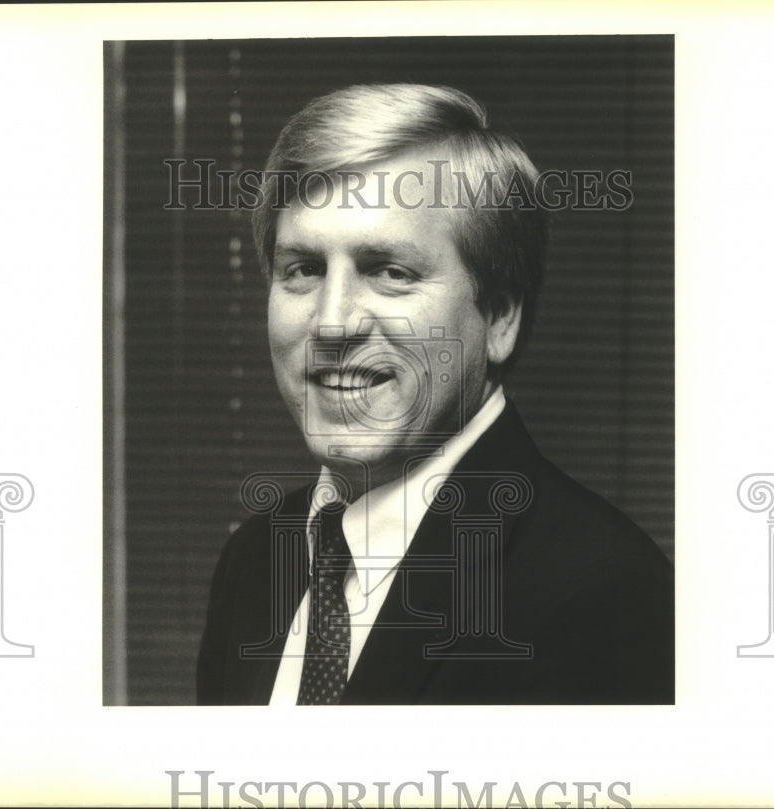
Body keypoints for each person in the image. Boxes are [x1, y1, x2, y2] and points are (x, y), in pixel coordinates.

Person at [197, 83, 673, 705]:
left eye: (390, 272)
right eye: (303, 270)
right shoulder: (255, 558)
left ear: (498, 318)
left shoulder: (604, 592)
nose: (332, 323)